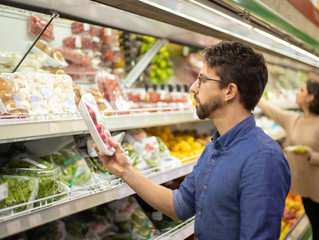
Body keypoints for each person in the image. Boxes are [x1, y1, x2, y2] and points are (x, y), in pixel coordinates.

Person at [95, 41, 291, 239]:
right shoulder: (214, 148)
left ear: (229, 91)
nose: (193, 87)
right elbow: (179, 204)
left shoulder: (263, 159)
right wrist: (125, 171)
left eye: (203, 80)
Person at [257, 80, 319, 240]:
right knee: (317, 229)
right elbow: (271, 110)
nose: (297, 93)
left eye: (301, 90)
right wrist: (253, 92)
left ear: (311, 97)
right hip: (306, 187)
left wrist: (310, 155)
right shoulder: (294, 120)